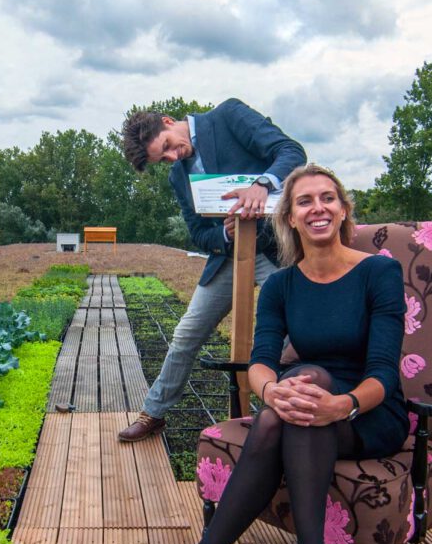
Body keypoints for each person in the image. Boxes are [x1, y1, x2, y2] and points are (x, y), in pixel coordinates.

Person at [143, 164, 409, 544]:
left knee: (303, 392)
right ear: (288, 216)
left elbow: (384, 372)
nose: (318, 208)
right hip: (304, 405)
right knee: (294, 396)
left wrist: (342, 404)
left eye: (328, 198)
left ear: (344, 209)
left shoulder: (379, 272)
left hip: (368, 411)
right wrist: (271, 392)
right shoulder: (284, 283)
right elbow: (261, 359)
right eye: (305, 201)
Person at [118, 98, 306, 442]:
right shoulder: (179, 176)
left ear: (168, 120)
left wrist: (261, 186)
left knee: (298, 333)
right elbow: (198, 233)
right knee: (186, 334)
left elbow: (291, 151)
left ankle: (289, 418)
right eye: (164, 159)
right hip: (229, 257)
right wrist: (223, 234)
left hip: (272, 250)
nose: (173, 158)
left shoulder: (228, 116)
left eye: (168, 147)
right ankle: (154, 412)